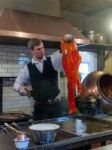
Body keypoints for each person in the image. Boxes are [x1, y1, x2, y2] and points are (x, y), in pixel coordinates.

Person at [13, 38, 64, 120]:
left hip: (56, 107)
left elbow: (68, 55)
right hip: (40, 109)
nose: (42, 51)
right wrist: (20, 88)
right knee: (39, 132)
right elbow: (16, 84)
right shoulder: (27, 68)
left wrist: (69, 43)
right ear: (32, 51)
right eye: (39, 49)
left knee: (59, 132)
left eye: (43, 47)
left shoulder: (53, 60)